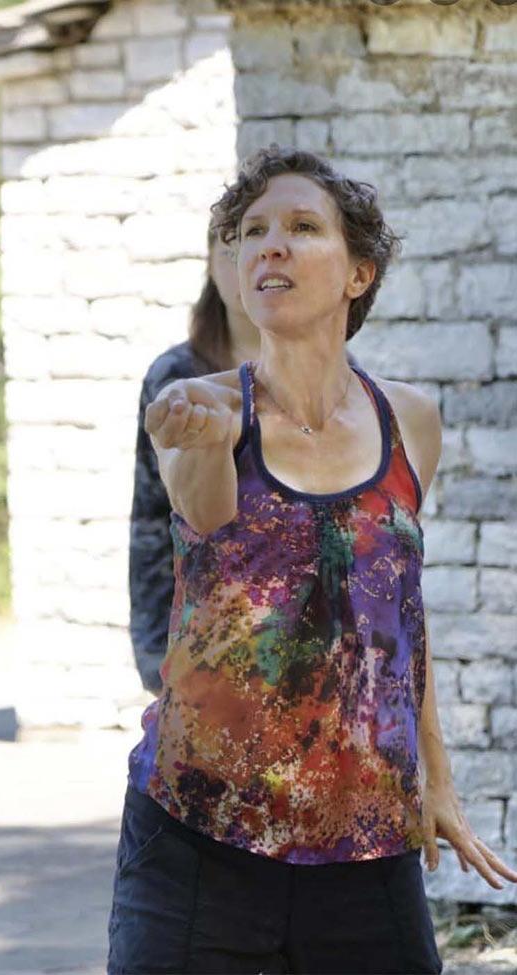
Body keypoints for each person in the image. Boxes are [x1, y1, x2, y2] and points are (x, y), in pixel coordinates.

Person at [108, 145, 517, 975]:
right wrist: (196, 440)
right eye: (251, 231)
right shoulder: (203, 407)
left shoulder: (409, 422)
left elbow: (397, 614)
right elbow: (201, 511)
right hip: (199, 834)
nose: (270, 245)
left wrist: (435, 780)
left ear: (358, 272)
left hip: (366, 842)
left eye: (301, 227)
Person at [129, 231, 260, 694]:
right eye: (229, 249)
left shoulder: (343, 381)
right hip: (204, 646)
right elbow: (151, 519)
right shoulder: (177, 378)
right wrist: (154, 650)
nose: (244, 264)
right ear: (209, 262)